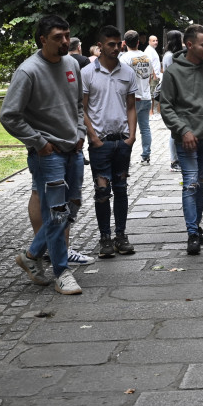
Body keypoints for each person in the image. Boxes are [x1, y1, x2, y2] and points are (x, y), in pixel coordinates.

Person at [1, 14, 86, 295]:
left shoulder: (72, 63)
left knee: (70, 207)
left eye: (67, 35)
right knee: (59, 214)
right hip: (47, 154)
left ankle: (30, 255)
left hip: (72, 150)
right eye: (58, 37)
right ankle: (62, 272)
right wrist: (39, 143)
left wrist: (81, 133)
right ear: (43, 40)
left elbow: (78, 105)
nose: (65, 41)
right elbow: (9, 116)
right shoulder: (28, 71)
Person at [158, 25, 203, 255]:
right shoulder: (173, 73)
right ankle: (192, 233)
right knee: (190, 183)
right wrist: (183, 130)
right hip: (186, 139)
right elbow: (166, 107)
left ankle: (196, 226)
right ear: (189, 45)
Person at [82, 25, 138, 259]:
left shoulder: (127, 72)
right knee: (102, 191)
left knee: (122, 189)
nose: (116, 48)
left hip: (121, 141)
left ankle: (121, 235)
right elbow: (81, 108)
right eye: (111, 44)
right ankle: (105, 237)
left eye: (118, 44)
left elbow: (131, 106)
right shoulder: (88, 73)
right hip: (101, 143)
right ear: (100, 46)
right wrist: (93, 137)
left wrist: (132, 136)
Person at [119, 30, 160, 165]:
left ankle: (126, 157)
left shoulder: (124, 58)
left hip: (132, 98)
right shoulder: (146, 56)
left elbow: (122, 79)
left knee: (128, 129)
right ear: (138, 42)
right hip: (146, 96)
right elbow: (148, 77)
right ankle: (146, 156)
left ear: (124, 43)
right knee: (145, 128)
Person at [162, 29, 184, 171]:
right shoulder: (171, 56)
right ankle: (174, 159)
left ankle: (177, 158)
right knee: (174, 129)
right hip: (174, 93)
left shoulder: (168, 55)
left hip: (174, 92)